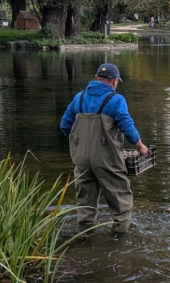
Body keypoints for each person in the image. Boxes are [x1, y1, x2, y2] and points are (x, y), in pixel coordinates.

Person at [60, 62, 149, 234]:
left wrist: (80, 144)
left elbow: (65, 125)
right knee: (120, 198)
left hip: (81, 159)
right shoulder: (116, 100)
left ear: (96, 78)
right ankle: (119, 239)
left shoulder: (79, 97)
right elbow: (126, 124)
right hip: (106, 158)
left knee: (85, 201)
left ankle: (84, 236)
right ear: (114, 81)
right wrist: (140, 145)